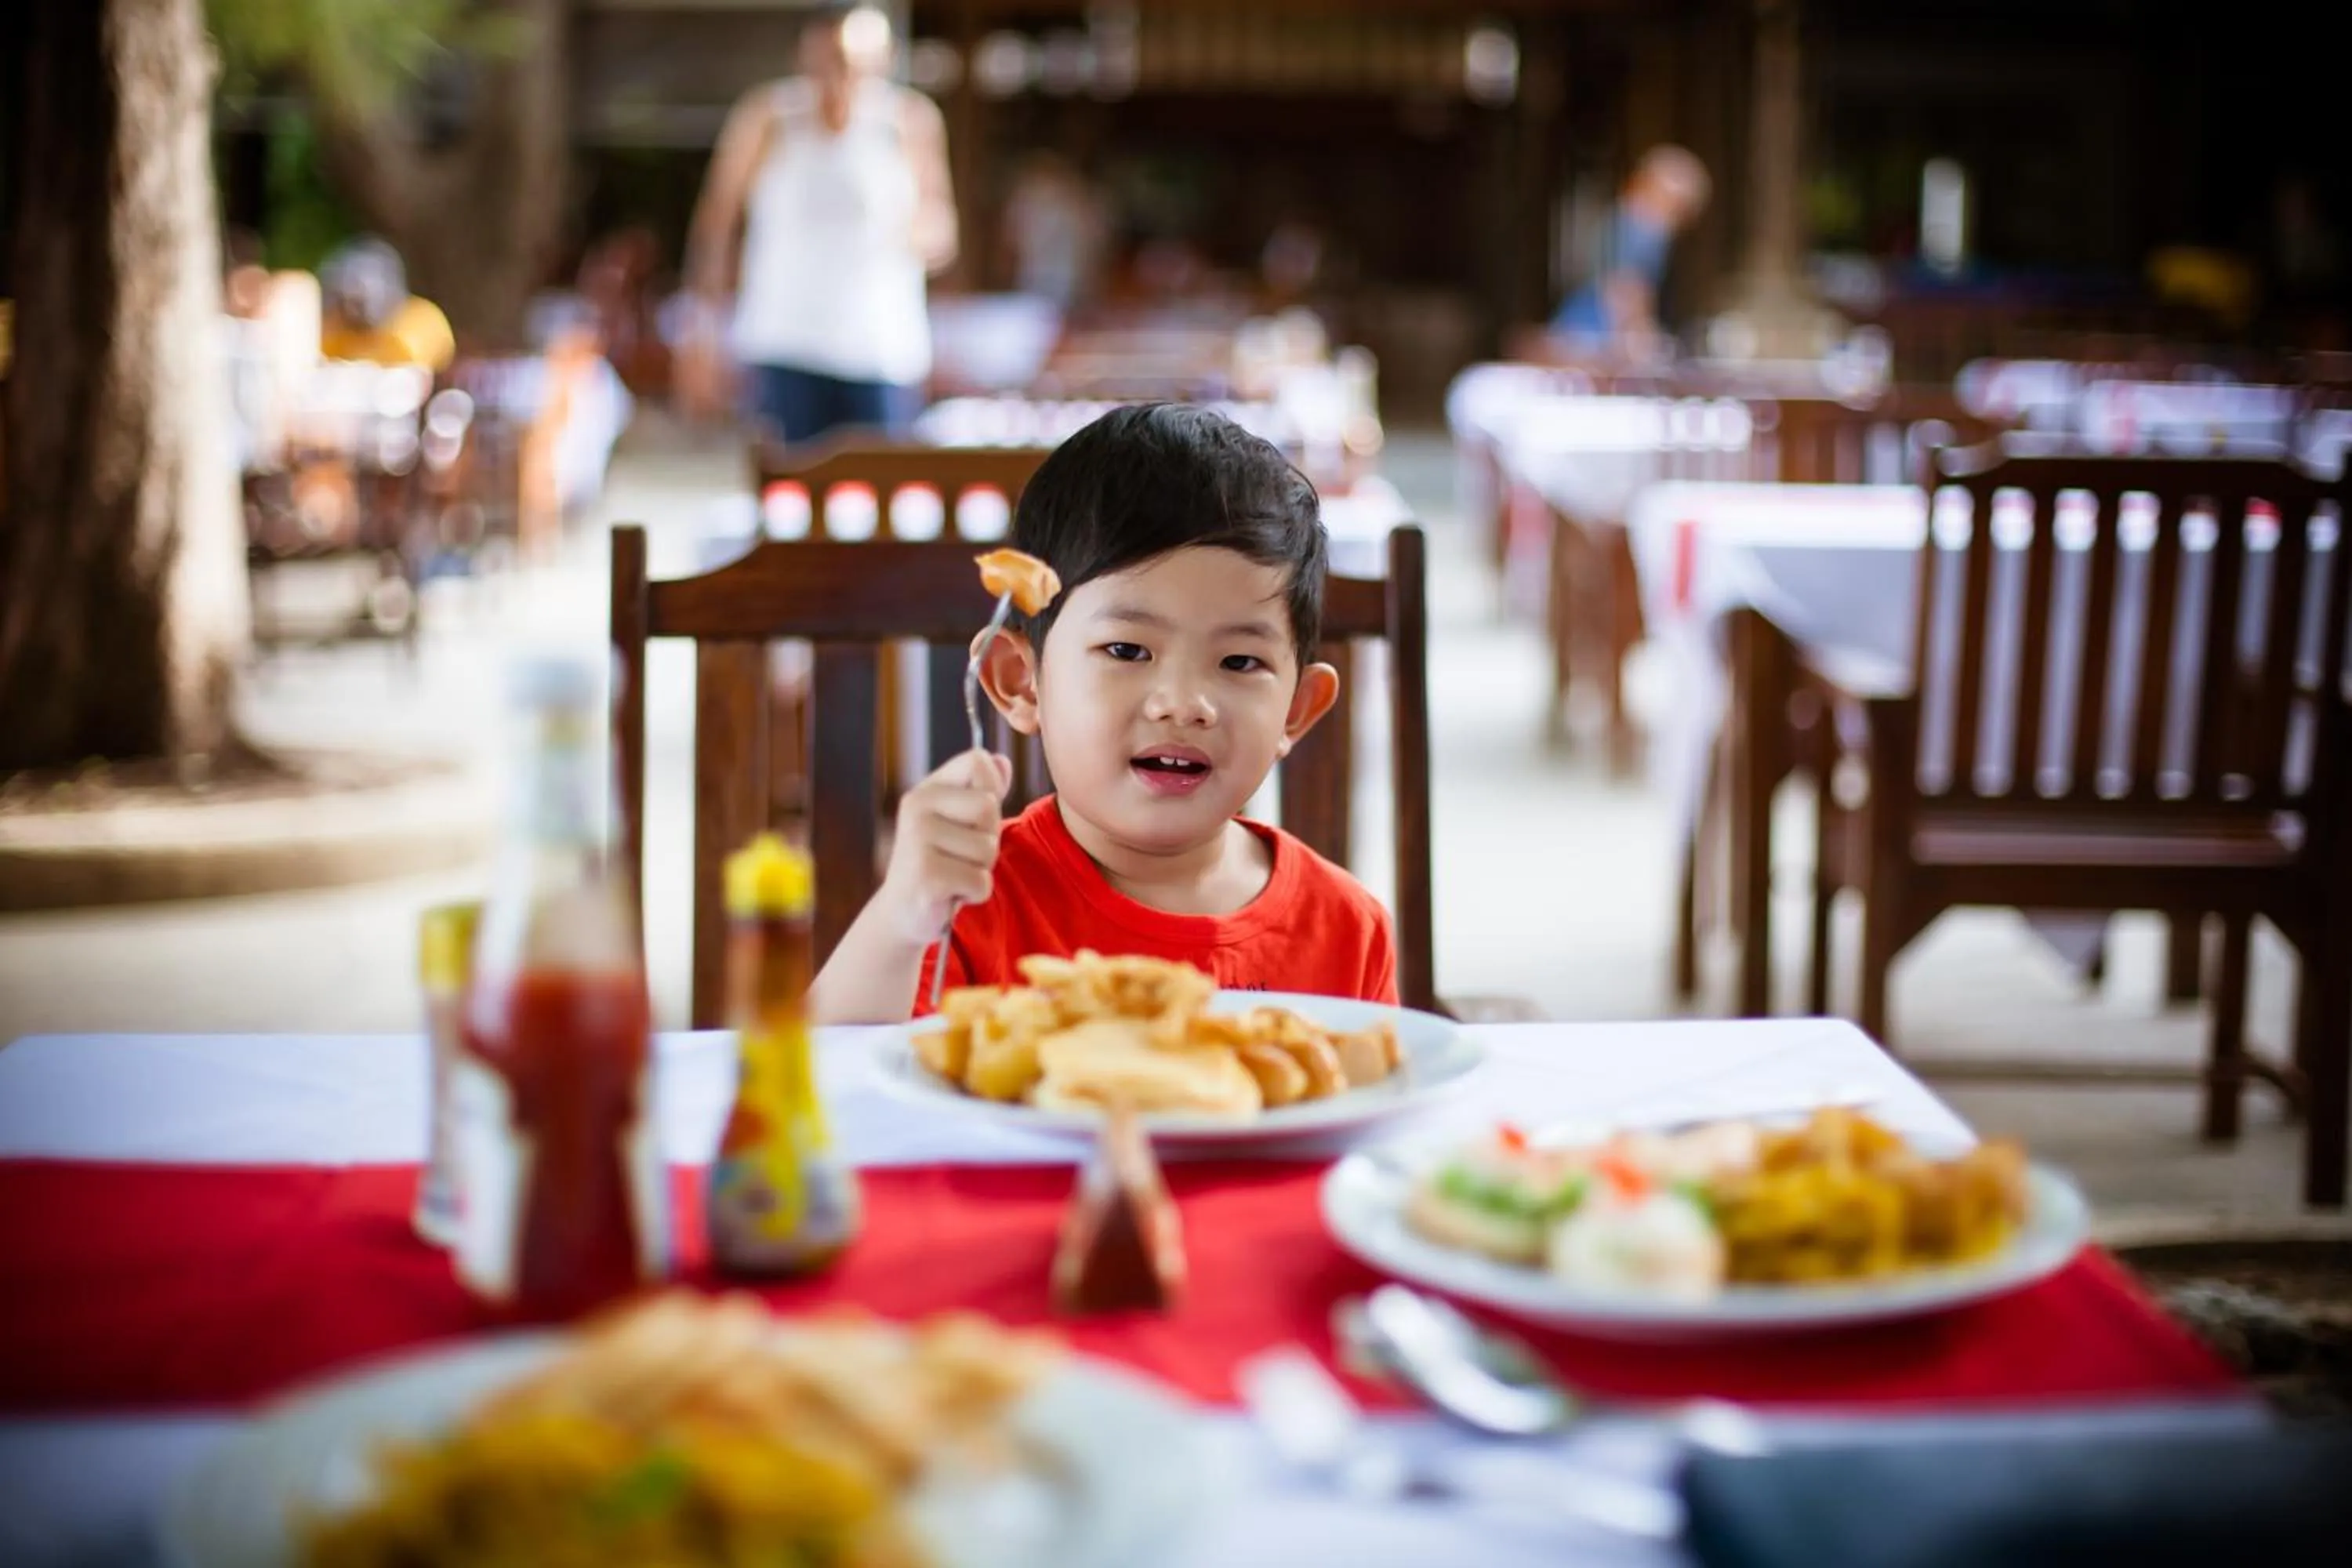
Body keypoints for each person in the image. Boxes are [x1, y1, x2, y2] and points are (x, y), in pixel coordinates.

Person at [808, 404, 1398, 1025]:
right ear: (1021, 683)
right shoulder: (967, 899)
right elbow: (817, 1073)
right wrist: (900, 920)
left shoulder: (1347, 931)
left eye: (1239, 662)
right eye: (1127, 651)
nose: (1183, 704)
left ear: (1296, 711)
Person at [687, 2, 956, 444]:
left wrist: (921, 238)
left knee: (880, 478)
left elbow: (940, 227)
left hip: (879, 347)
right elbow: (717, 223)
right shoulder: (768, 116)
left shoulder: (909, 120)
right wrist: (702, 335)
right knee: (787, 479)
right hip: (785, 341)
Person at [1548, 145, 1711, 362]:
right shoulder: (1640, 230)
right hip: (1591, 338)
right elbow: (1626, 290)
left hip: (1583, 335)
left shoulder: (1623, 223)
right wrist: (1641, 339)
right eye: (1676, 208)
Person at [317, 236, 456, 372]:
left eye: (357, 301)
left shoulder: (420, 322)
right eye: (343, 300)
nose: (349, 309)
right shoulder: (335, 333)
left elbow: (427, 370)